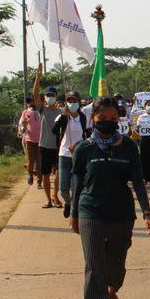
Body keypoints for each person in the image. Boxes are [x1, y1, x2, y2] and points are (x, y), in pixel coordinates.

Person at [70, 97, 150, 299]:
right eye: (101, 119)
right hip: (90, 213)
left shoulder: (128, 146)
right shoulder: (84, 149)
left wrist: (147, 212)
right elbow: (77, 182)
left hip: (121, 213)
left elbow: (138, 181)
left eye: (111, 119)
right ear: (93, 120)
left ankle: (111, 290)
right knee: (94, 266)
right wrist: (73, 213)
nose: (107, 123)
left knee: (116, 264)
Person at [53, 91, 88, 219]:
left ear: (79, 102)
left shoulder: (83, 117)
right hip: (64, 155)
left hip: (78, 156)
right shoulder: (62, 117)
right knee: (63, 188)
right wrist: (63, 116)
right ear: (66, 103)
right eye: (70, 101)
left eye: (75, 101)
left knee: (76, 186)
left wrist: (78, 145)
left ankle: (74, 211)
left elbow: (87, 136)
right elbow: (54, 131)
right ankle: (68, 203)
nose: (72, 103)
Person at [32, 64, 62, 209]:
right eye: (48, 95)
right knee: (45, 175)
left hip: (57, 147)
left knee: (58, 173)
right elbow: (35, 95)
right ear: (45, 98)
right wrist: (38, 78)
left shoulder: (62, 112)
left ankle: (55, 196)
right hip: (44, 146)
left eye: (52, 95)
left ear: (56, 97)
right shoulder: (42, 110)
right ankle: (48, 199)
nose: (50, 97)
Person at [17, 96, 41, 187]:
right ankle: (30, 174)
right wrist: (23, 127)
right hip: (29, 139)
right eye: (30, 101)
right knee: (31, 161)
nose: (32, 103)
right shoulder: (25, 112)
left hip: (40, 140)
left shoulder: (41, 112)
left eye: (34, 101)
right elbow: (21, 124)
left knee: (39, 162)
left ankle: (39, 181)